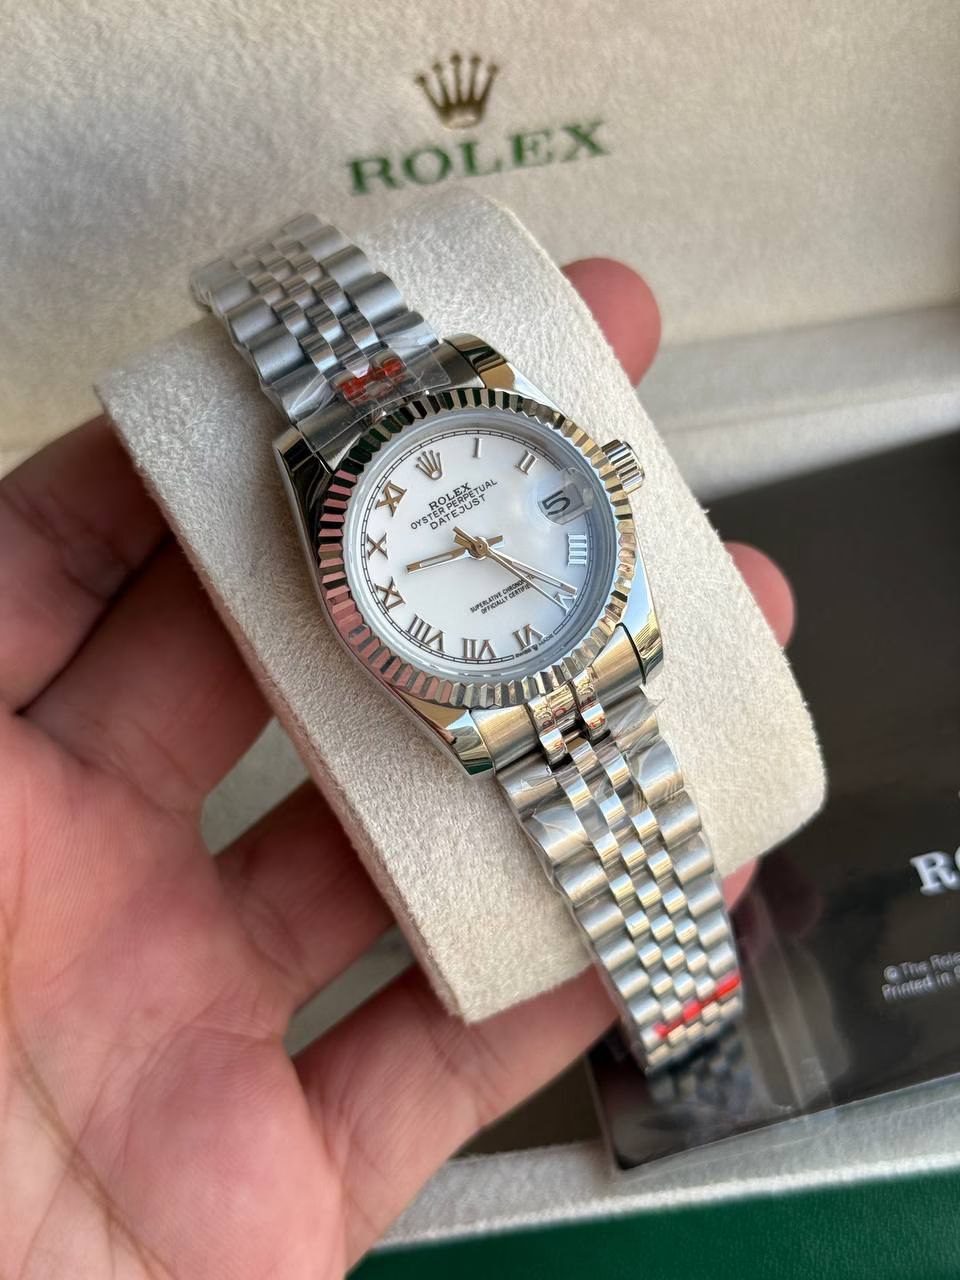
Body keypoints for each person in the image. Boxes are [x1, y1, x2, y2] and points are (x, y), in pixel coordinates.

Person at [0, 259, 794, 1277]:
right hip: (492, 695)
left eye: (478, 535)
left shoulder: (488, 399)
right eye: (444, 548)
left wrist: (445, 559)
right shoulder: (332, 506)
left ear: (603, 474)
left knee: (656, 881)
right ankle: (690, 1012)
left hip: (586, 637)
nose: (472, 542)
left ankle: (691, 1009)